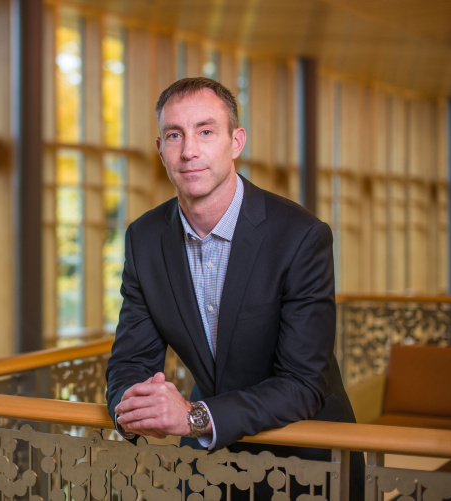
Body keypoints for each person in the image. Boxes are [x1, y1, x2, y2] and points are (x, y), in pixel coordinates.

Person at [105, 77, 363, 497]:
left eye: (206, 131)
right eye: (175, 135)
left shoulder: (300, 235)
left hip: (307, 456)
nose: (189, 150)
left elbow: (302, 382)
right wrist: (137, 407)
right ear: (160, 150)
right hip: (210, 461)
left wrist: (193, 418)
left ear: (236, 141)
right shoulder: (144, 238)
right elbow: (130, 361)